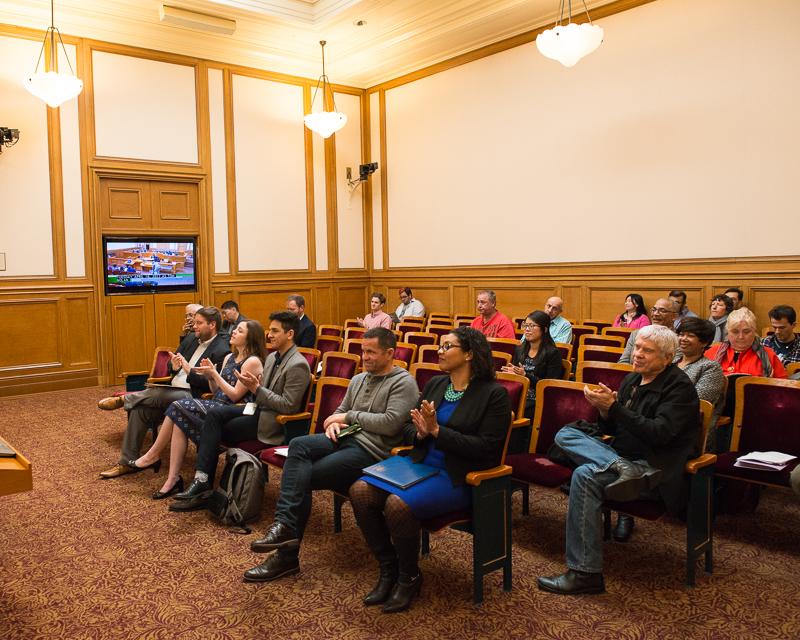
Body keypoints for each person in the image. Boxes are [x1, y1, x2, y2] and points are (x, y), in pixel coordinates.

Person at [349, 327, 511, 613]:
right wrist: (423, 433)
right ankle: (389, 568)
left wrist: (437, 431)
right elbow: (409, 428)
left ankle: (409, 577)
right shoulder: (437, 384)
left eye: (447, 346)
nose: (440, 351)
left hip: (458, 476)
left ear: (470, 353)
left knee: (397, 505)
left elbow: (486, 450)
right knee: (360, 490)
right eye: (439, 346)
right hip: (419, 464)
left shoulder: (493, 394)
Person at [242, 327, 419, 583]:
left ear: (390, 353)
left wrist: (346, 418)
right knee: (300, 446)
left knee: (301, 477)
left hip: (371, 451)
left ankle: (286, 555)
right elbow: (338, 411)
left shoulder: (404, 383)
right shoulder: (359, 379)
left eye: (372, 352)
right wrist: (332, 423)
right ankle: (285, 527)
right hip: (343, 440)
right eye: (363, 351)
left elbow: (390, 423)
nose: (365, 357)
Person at [537, 325, 700, 595]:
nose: (637, 354)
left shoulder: (679, 389)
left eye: (647, 351)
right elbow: (613, 430)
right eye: (636, 347)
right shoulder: (632, 380)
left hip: (651, 466)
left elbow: (659, 435)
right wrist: (605, 411)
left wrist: (615, 408)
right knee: (566, 433)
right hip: (621, 459)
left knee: (586, 474)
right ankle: (618, 467)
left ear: (667, 357)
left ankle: (584, 573)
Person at [173, 311, 312, 504]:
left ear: (289, 334)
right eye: (269, 330)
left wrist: (256, 388)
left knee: (212, 425)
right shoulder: (273, 358)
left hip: (269, 421)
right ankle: (202, 480)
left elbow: (287, 406)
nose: (269, 335)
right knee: (213, 415)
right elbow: (262, 392)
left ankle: (203, 482)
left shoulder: (298, 365)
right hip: (254, 408)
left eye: (274, 331)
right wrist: (256, 388)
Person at [613, 318, 725, 542]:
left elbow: (695, 402)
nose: (683, 338)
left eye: (689, 335)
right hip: (646, 425)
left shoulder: (709, 367)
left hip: (681, 432)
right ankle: (624, 509)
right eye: (681, 333)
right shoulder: (666, 363)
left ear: (704, 343)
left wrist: (650, 406)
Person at [129, 319, 266, 499]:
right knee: (179, 418)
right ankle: (172, 479)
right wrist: (210, 376)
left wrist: (215, 374)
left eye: (239, 331)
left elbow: (234, 395)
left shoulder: (252, 361)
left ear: (250, 338)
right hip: (216, 403)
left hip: (232, 410)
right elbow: (215, 390)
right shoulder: (229, 357)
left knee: (177, 405)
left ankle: (153, 455)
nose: (233, 332)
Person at [97, 306, 230, 479]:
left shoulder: (221, 349)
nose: (194, 326)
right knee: (140, 410)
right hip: (170, 391)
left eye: (199, 323)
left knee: (159, 395)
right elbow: (172, 363)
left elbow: (212, 385)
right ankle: (126, 462)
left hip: (192, 397)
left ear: (212, 325)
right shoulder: (190, 338)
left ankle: (125, 399)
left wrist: (190, 371)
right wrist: (173, 366)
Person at [503, 311, 563, 419]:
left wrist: (525, 375)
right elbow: (516, 375)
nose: (527, 329)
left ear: (544, 329)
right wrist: (511, 373)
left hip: (538, 399)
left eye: (532, 326)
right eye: (525, 325)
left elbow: (549, 386)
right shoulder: (519, 349)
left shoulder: (552, 353)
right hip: (519, 394)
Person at [705, 308, 787, 378]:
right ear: (728, 332)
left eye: (746, 331)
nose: (741, 337)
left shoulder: (768, 355)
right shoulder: (711, 353)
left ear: (754, 332)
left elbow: (782, 388)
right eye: (735, 331)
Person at [618, 298, 677, 364]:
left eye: (662, 311)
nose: (656, 314)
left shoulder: (677, 340)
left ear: (674, 316)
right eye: (654, 310)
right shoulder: (636, 334)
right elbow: (623, 362)